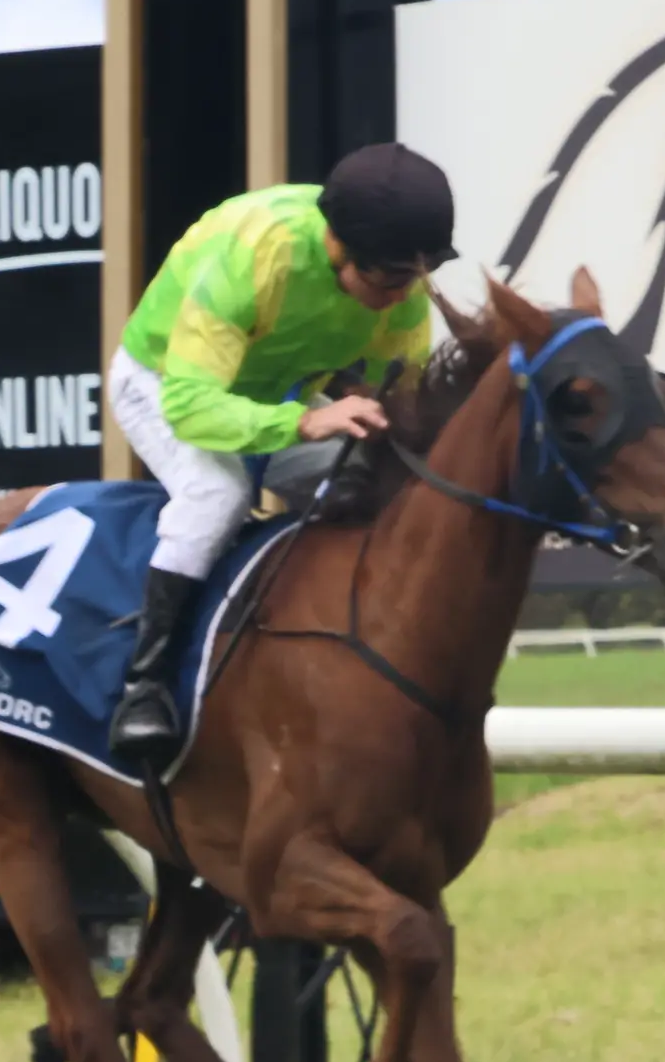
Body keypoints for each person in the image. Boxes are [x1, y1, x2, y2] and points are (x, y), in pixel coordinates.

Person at [103, 142, 453, 764]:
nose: (403, 299)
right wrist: (308, 423)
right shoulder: (255, 253)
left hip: (282, 393)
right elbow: (191, 406)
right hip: (165, 384)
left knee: (373, 482)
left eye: (415, 280)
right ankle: (144, 685)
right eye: (391, 281)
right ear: (340, 248)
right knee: (221, 494)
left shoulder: (400, 282)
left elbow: (395, 398)